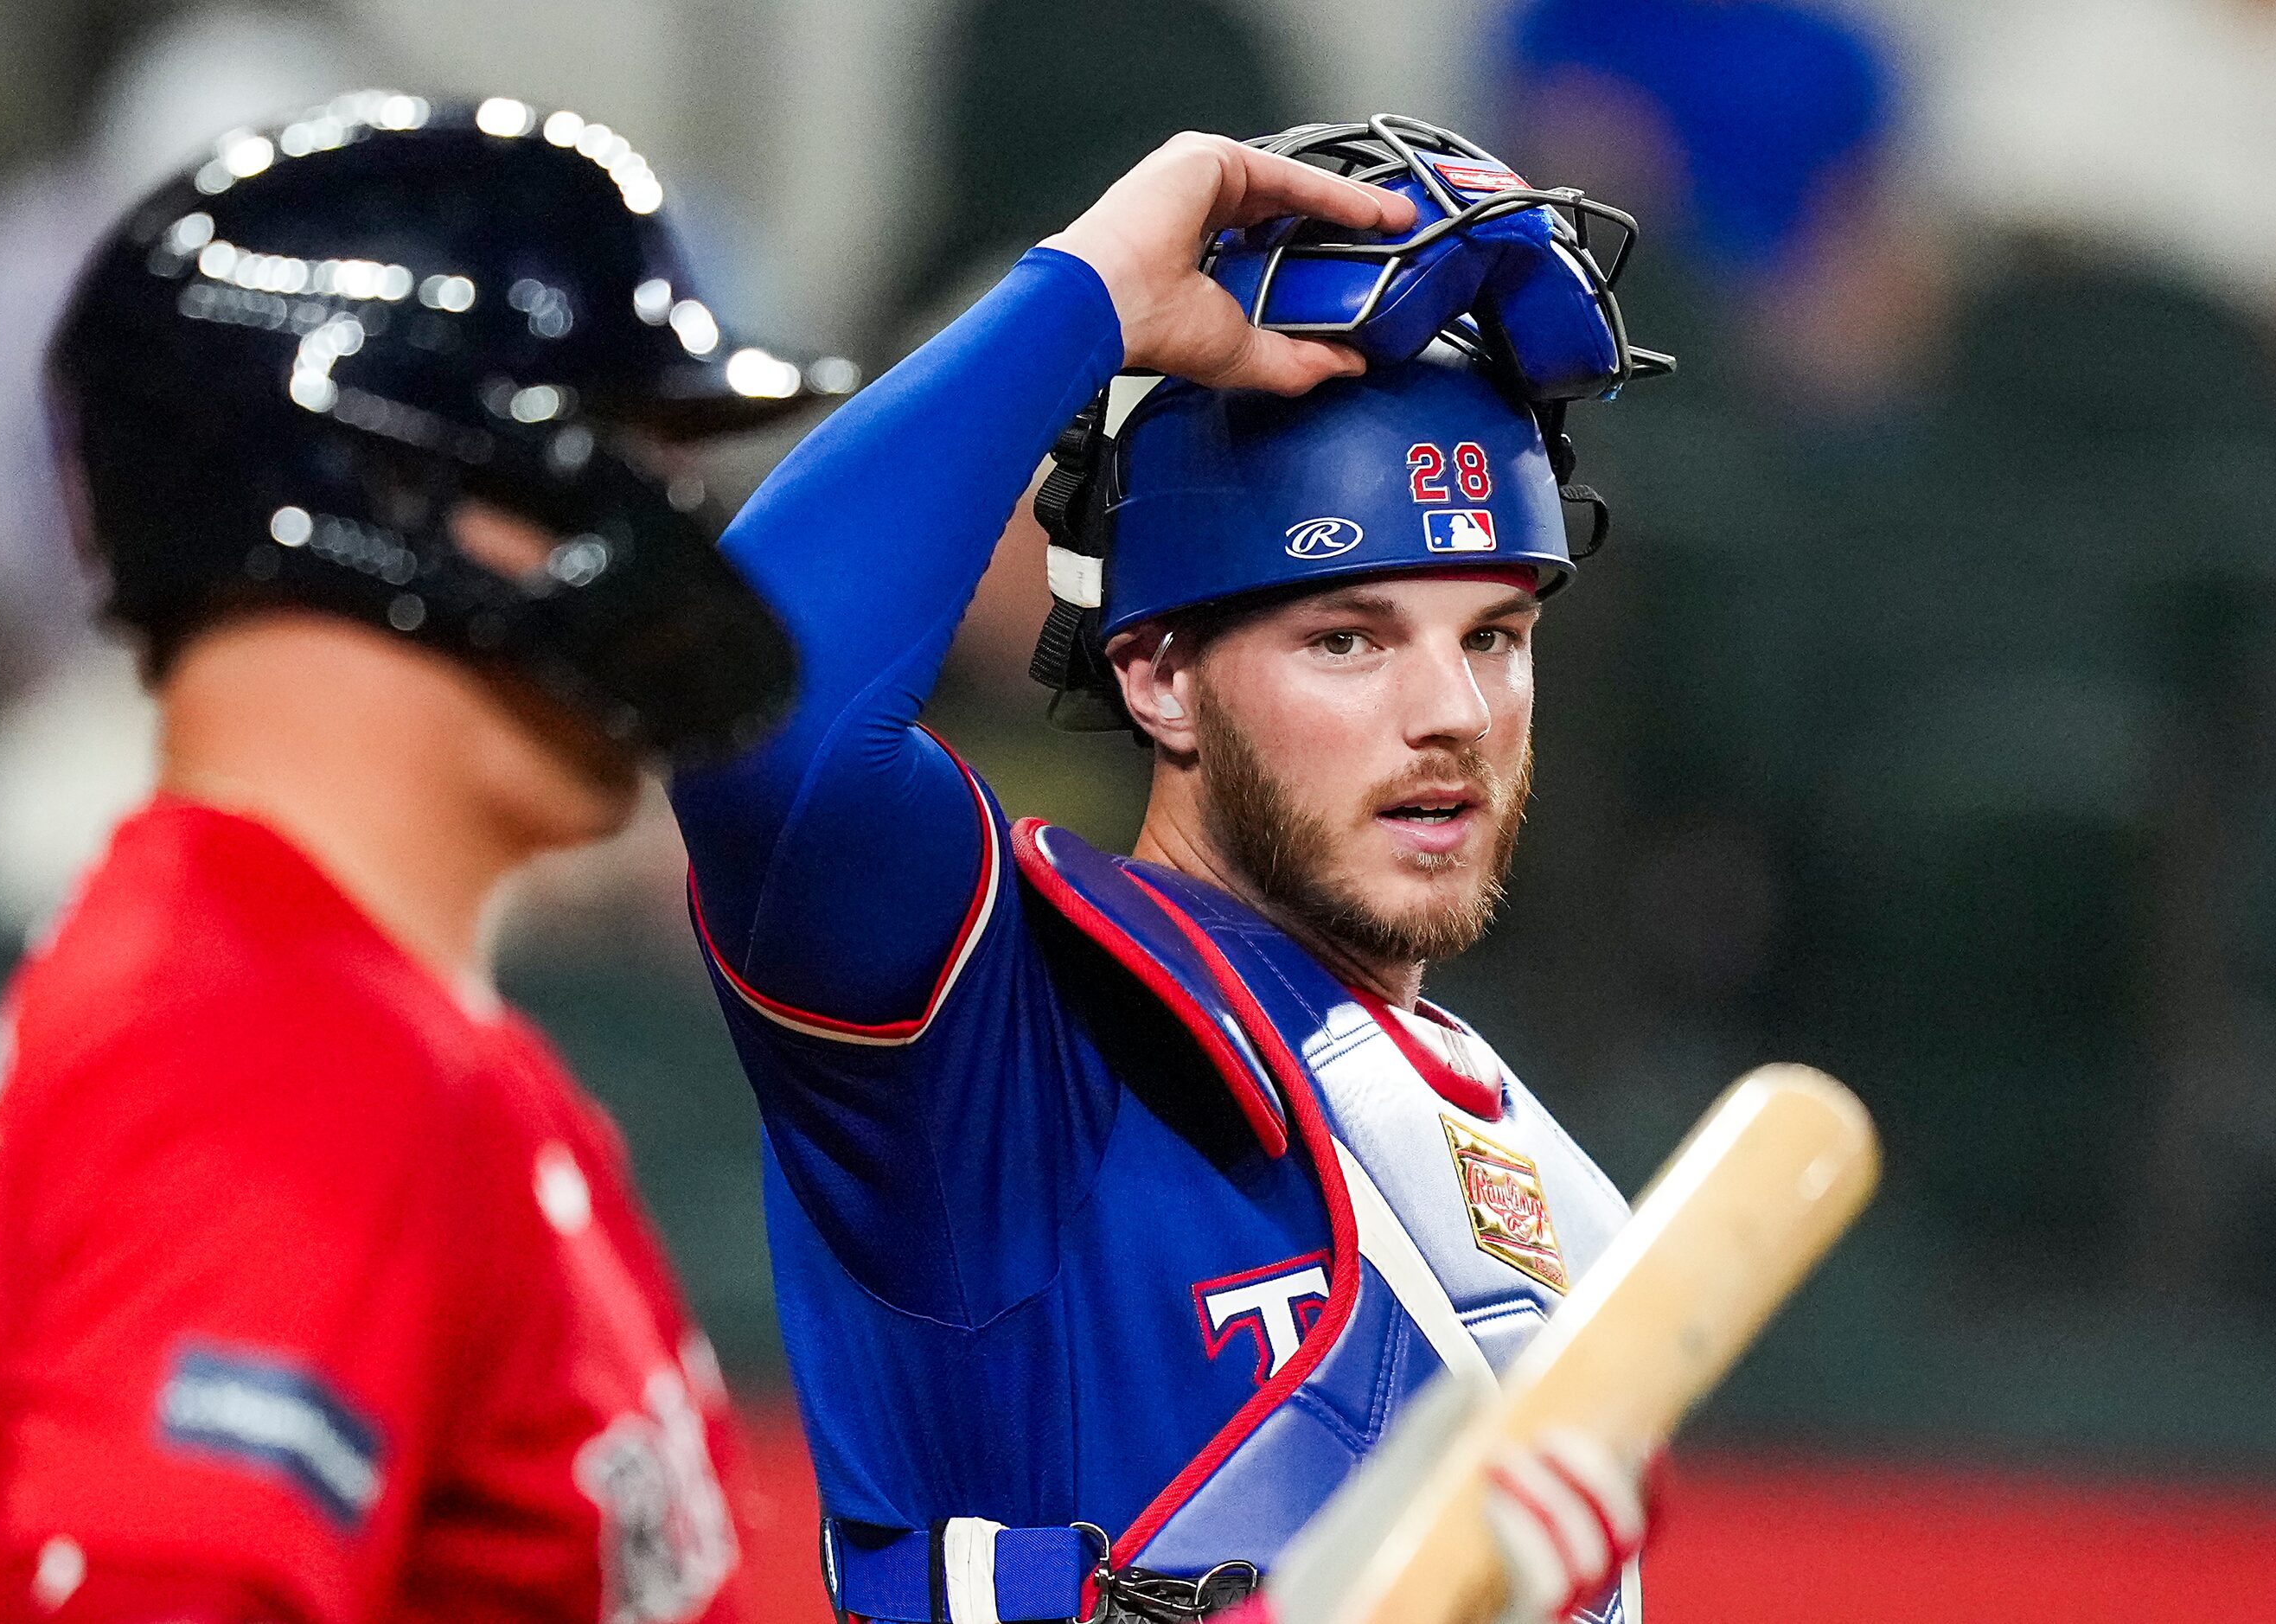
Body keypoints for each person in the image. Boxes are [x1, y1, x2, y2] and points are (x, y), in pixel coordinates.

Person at [670, 119, 1667, 1624]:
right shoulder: (1011, 1025)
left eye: (1494, 636)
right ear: (1159, 679)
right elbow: (755, 704)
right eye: (1347, 636)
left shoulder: (1562, 1197)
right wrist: (1081, 300)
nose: (1451, 712)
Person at [0, 93, 852, 1624]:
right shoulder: (271, 1044)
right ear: (376, 497)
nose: (664, 545)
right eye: (597, 465)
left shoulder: (315, 1000)